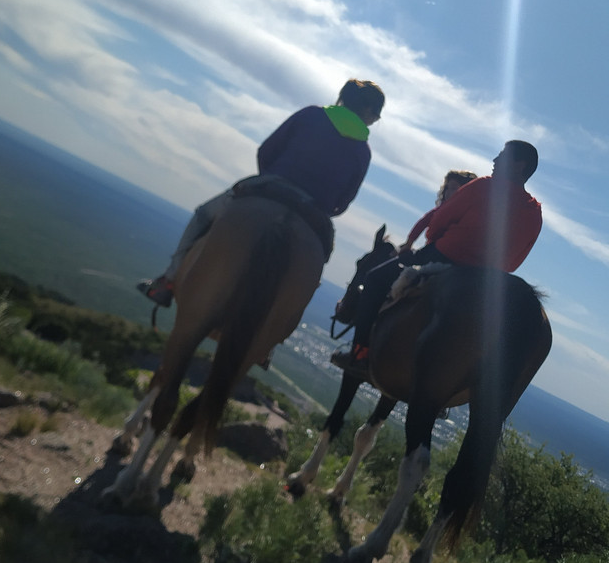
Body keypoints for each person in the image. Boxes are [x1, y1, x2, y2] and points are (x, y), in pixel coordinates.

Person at [138, 79, 385, 307]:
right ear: (366, 110)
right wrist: (326, 207)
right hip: (315, 209)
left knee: (204, 214)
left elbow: (267, 150)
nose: (375, 119)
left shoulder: (311, 115)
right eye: (376, 113)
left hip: (270, 185)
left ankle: (168, 281)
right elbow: (343, 202)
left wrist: (268, 181)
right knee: (316, 263)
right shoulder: (363, 151)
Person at [331, 140, 542, 378]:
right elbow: (514, 261)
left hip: (443, 257)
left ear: (518, 166)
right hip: (483, 281)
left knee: (375, 278)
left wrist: (432, 242)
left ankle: (359, 353)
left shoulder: (484, 186)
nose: (495, 161)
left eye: (503, 156)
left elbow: (440, 220)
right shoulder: (534, 213)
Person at [396, 169, 477, 256]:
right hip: (435, 254)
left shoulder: (469, 215)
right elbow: (423, 222)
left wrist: (408, 244)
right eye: (447, 188)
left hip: (448, 256)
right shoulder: (441, 210)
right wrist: (408, 244)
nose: (448, 192)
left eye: (453, 188)